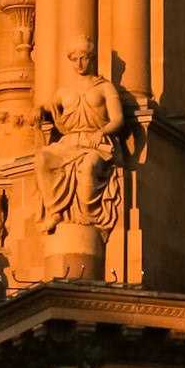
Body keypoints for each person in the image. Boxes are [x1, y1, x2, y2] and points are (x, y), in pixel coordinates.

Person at [34, 37, 126, 231]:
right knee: (42, 159)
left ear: (91, 58)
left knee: (90, 167)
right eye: (74, 59)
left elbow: (118, 119)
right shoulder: (63, 91)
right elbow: (49, 108)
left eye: (83, 58)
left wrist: (101, 132)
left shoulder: (105, 87)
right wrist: (40, 111)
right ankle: (55, 211)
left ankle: (89, 212)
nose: (79, 63)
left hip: (96, 144)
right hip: (68, 143)